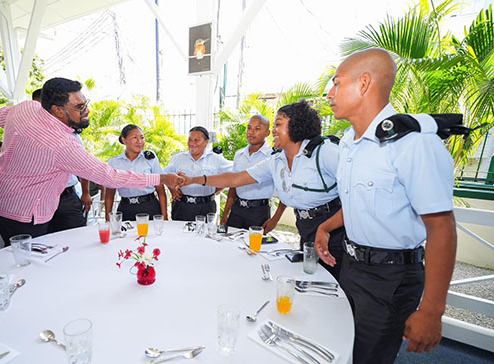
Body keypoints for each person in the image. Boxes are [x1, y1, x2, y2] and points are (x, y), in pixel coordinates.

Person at [315, 48, 457, 364]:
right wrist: (326, 226)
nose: (329, 93)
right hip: (352, 268)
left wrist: (432, 310)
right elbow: (359, 202)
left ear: (364, 83)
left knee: (367, 358)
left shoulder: (413, 142)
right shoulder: (351, 143)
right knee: (340, 349)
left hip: (391, 278)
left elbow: (441, 226)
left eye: (337, 83)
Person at [0, 78, 183, 244]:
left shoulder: (25, 108)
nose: (87, 111)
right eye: (79, 107)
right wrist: (162, 178)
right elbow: (110, 177)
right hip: (22, 210)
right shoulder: (61, 144)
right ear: (57, 110)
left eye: (85, 103)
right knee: (33, 260)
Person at [179, 101, 345, 280]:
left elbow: (355, 196)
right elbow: (235, 178)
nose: (273, 130)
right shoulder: (276, 160)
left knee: (334, 279)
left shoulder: (324, 151)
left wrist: (326, 228)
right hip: (306, 226)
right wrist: (194, 180)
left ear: (297, 126)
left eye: (278, 124)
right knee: (311, 276)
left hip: (334, 226)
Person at [32, 88, 93, 233]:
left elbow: (85, 166)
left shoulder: (70, 134)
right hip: (39, 200)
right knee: (44, 243)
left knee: (77, 238)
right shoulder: (28, 134)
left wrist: (85, 192)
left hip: (67, 198)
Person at [220, 114, 286, 232]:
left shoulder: (273, 157)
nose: (251, 132)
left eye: (257, 128)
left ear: (267, 133)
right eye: (249, 128)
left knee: (254, 248)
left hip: (259, 212)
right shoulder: (239, 155)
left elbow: (285, 190)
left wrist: (275, 219)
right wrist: (225, 214)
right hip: (237, 210)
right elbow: (233, 186)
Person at [164, 126, 232, 221]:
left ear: (206, 142)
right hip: (182, 206)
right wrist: (172, 190)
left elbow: (233, 176)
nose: (192, 143)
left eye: (197, 140)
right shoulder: (179, 158)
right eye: (190, 139)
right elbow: (164, 176)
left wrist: (220, 187)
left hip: (206, 206)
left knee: (203, 234)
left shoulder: (216, 159)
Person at [105, 125, 168, 221]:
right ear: (124, 140)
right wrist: (108, 219)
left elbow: (161, 190)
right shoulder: (114, 162)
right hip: (126, 208)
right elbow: (110, 194)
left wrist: (165, 217)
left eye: (142, 137)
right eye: (135, 138)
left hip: (149, 206)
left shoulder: (150, 159)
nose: (140, 141)